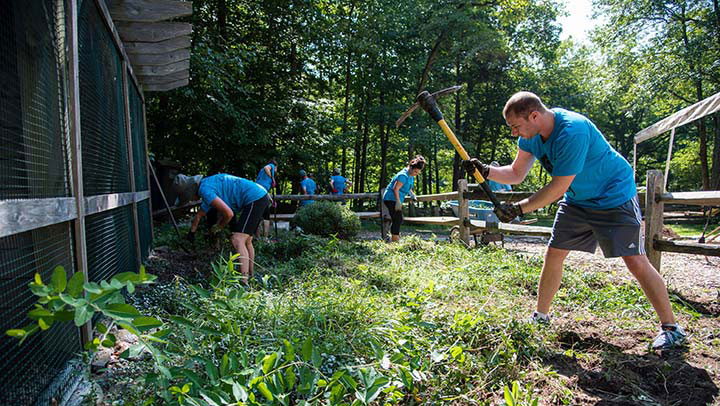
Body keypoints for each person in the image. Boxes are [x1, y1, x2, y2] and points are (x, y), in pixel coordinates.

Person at [463, 91, 686, 350]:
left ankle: (672, 329)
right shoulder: (531, 136)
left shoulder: (573, 131)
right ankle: (541, 317)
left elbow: (558, 187)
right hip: (578, 199)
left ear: (534, 116)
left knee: (635, 261)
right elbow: (516, 173)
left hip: (613, 196)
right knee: (554, 254)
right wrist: (487, 171)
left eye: (516, 127)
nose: (514, 133)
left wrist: (519, 209)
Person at [182, 174, 270, 283]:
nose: (191, 199)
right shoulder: (208, 185)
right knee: (247, 241)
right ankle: (251, 275)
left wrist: (219, 227)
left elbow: (228, 214)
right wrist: (192, 232)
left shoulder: (205, 190)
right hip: (261, 195)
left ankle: (244, 282)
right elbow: (199, 215)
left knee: (237, 239)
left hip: (255, 198)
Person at [382, 155, 425, 242]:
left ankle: (391, 238)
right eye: (415, 172)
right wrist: (398, 201)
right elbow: (396, 188)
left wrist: (412, 195)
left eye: (418, 173)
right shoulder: (403, 175)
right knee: (398, 219)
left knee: (397, 219)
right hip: (390, 198)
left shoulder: (410, 175)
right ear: (411, 168)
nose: (416, 174)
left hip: (396, 198)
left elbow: (407, 187)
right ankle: (395, 241)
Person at [255, 159, 278, 237]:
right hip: (260, 193)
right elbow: (266, 167)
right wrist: (272, 178)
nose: (276, 171)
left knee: (259, 215)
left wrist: (271, 200)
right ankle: (265, 239)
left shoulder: (262, 174)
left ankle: (258, 238)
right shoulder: (271, 166)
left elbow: (264, 189)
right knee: (266, 216)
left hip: (258, 192)